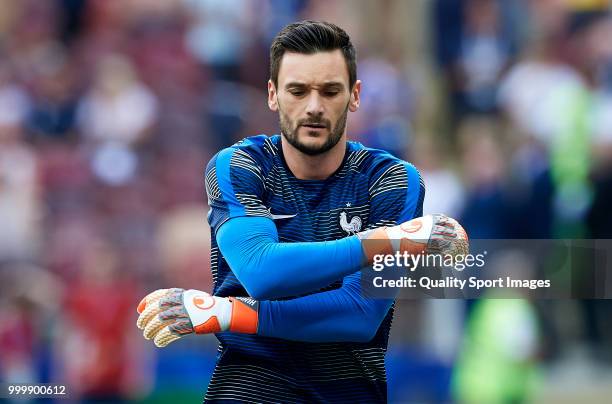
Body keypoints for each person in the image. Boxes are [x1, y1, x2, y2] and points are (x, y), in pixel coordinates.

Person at [136, 20, 466, 403]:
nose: (313, 107)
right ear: (273, 95)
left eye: (330, 91)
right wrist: (387, 240)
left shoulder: (392, 180)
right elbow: (262, 272)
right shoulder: (239, 165)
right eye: (298, 91)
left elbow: (359, 316)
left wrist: (228, 314)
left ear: (355, 96)